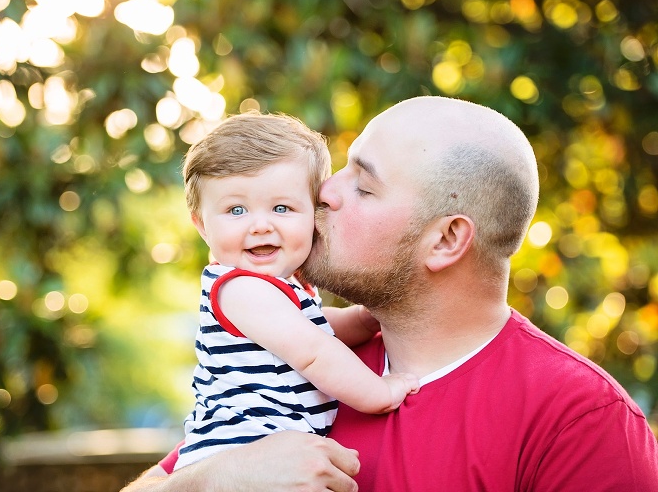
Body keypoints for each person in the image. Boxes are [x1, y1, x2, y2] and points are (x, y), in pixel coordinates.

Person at [122, 96, 658, 491]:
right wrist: (217, 480)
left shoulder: (580, 419)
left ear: (445, 240)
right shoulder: (304, 354)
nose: (323, 193)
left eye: (362, 185)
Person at [174, 112, 419, 470]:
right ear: (201, 225)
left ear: (314, 216)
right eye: (236, 210)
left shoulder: (277, 290)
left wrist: (361, 320)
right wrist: (379, 392)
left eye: (282, 208)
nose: (260, 225)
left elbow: (312, 326)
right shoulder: (241, 288)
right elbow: (313, 352)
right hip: (241, 450)